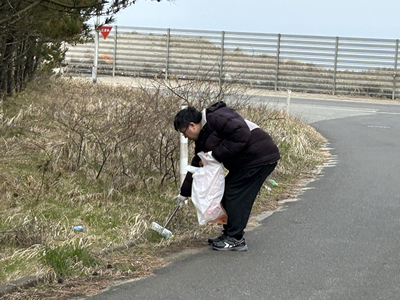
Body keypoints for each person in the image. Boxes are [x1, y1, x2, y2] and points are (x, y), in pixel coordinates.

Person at [174, 101, 280, 251]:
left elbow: (242, 133)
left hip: (260, 157)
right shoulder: (203, 135)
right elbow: (197, 163)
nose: (185, 136)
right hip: (246, 162)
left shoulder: (217, 118)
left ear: (192, 125)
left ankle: (236, 239)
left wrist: (215, 155)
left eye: (184, 132)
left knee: (235, 194)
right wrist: (184, 193)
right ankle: (228, 235)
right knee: (225, 193)